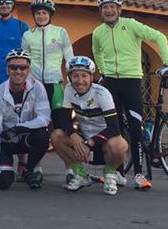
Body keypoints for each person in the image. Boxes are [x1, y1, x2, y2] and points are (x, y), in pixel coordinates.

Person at [92, 0, 168, 191]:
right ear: (100, 11)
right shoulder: (98, 32)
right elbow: (97, 52)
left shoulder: (131, 25)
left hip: (131, 81)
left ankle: (139, 173)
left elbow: (160, 37)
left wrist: (167, 63)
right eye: (104, 7)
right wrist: (102, 72)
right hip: (110, 82)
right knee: (114, 129)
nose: (108, 11)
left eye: (112, 7)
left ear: (119, 9)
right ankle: (118, 172)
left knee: (136, 128)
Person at [51, 56, 128, 196]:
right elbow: (64, 119)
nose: (80, 81)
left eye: (84, 76)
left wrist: (90, 142)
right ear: (69, 77)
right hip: (84, 137)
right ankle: (81, 175)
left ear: (91, 77)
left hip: (104, 140)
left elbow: (114, 128)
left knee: (120, 144)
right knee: (56, 136)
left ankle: (110, 174)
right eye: (75, 76)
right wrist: (73, 135)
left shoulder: (102, 94)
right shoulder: (68, 89)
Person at [0, 49, 50, 192]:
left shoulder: (38, 88)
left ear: (29, 70)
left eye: (23, 67)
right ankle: (4, 170)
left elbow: (44, 118)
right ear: (7, 70)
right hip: (6, 142)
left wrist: (19, 128)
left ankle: (28, 170)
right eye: (13, 67)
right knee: (4, 183)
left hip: (25, 138)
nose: (18, 71)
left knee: (42, 135)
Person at [21, 0, 74, 121]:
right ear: (34, 16)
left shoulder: (60, 32)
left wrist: (71, 77)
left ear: (50, 14)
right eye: (38, 13)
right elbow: (25, 60)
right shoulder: (27, 35)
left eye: (44, 13)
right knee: (35, 119)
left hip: (55, 82)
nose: (41, 16)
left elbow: (69, 56)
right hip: (34, 84)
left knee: (59, 119)